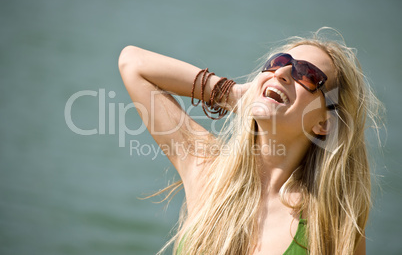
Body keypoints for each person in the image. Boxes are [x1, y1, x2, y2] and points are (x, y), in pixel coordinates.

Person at [118, 28, 381, 255]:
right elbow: (133, 63)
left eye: (308, 74)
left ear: (324, 123)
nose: (283, 72)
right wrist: (232, 94)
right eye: (278, 62)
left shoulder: (332, 224)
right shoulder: (208, 173)